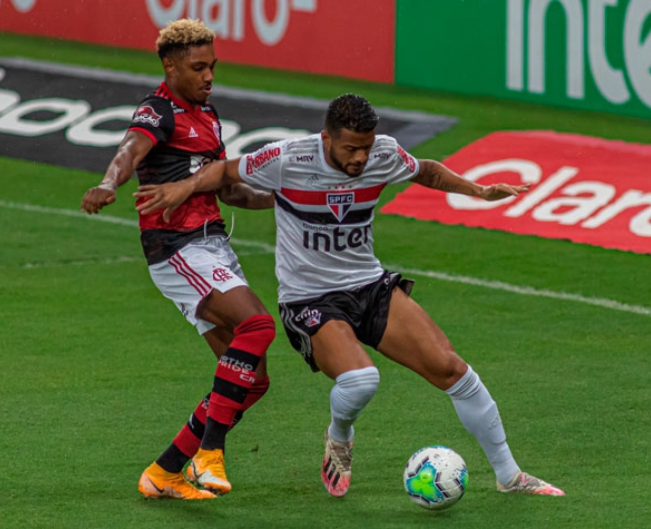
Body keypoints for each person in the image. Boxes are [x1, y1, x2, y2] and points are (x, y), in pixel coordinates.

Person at [133, 93, 565, 498]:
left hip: (369, 285)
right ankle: (340, 436)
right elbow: (224, 171)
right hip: (309, 300)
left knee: (452, 369)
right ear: (327, 139)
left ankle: (510, 476)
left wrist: (479, 190)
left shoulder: (383, 153)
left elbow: (426, 169)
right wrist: (184, 188)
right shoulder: (289, 157)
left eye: (365, 147)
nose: (359, 157)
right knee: (361, 381)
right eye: (349, 149)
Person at [80, 19, 276, 501]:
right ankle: (208, 456)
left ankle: (164, 473)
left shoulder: (208, 115)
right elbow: (130, 151)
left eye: (212, 66)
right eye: (198, 67)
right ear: (170, 67)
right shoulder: (158, 111)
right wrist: (109, 183)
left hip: (212, 248)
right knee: (258, 326)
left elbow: (229, 190)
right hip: (178, 248)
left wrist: (284, 199)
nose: (209, 76)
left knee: (252, 382)